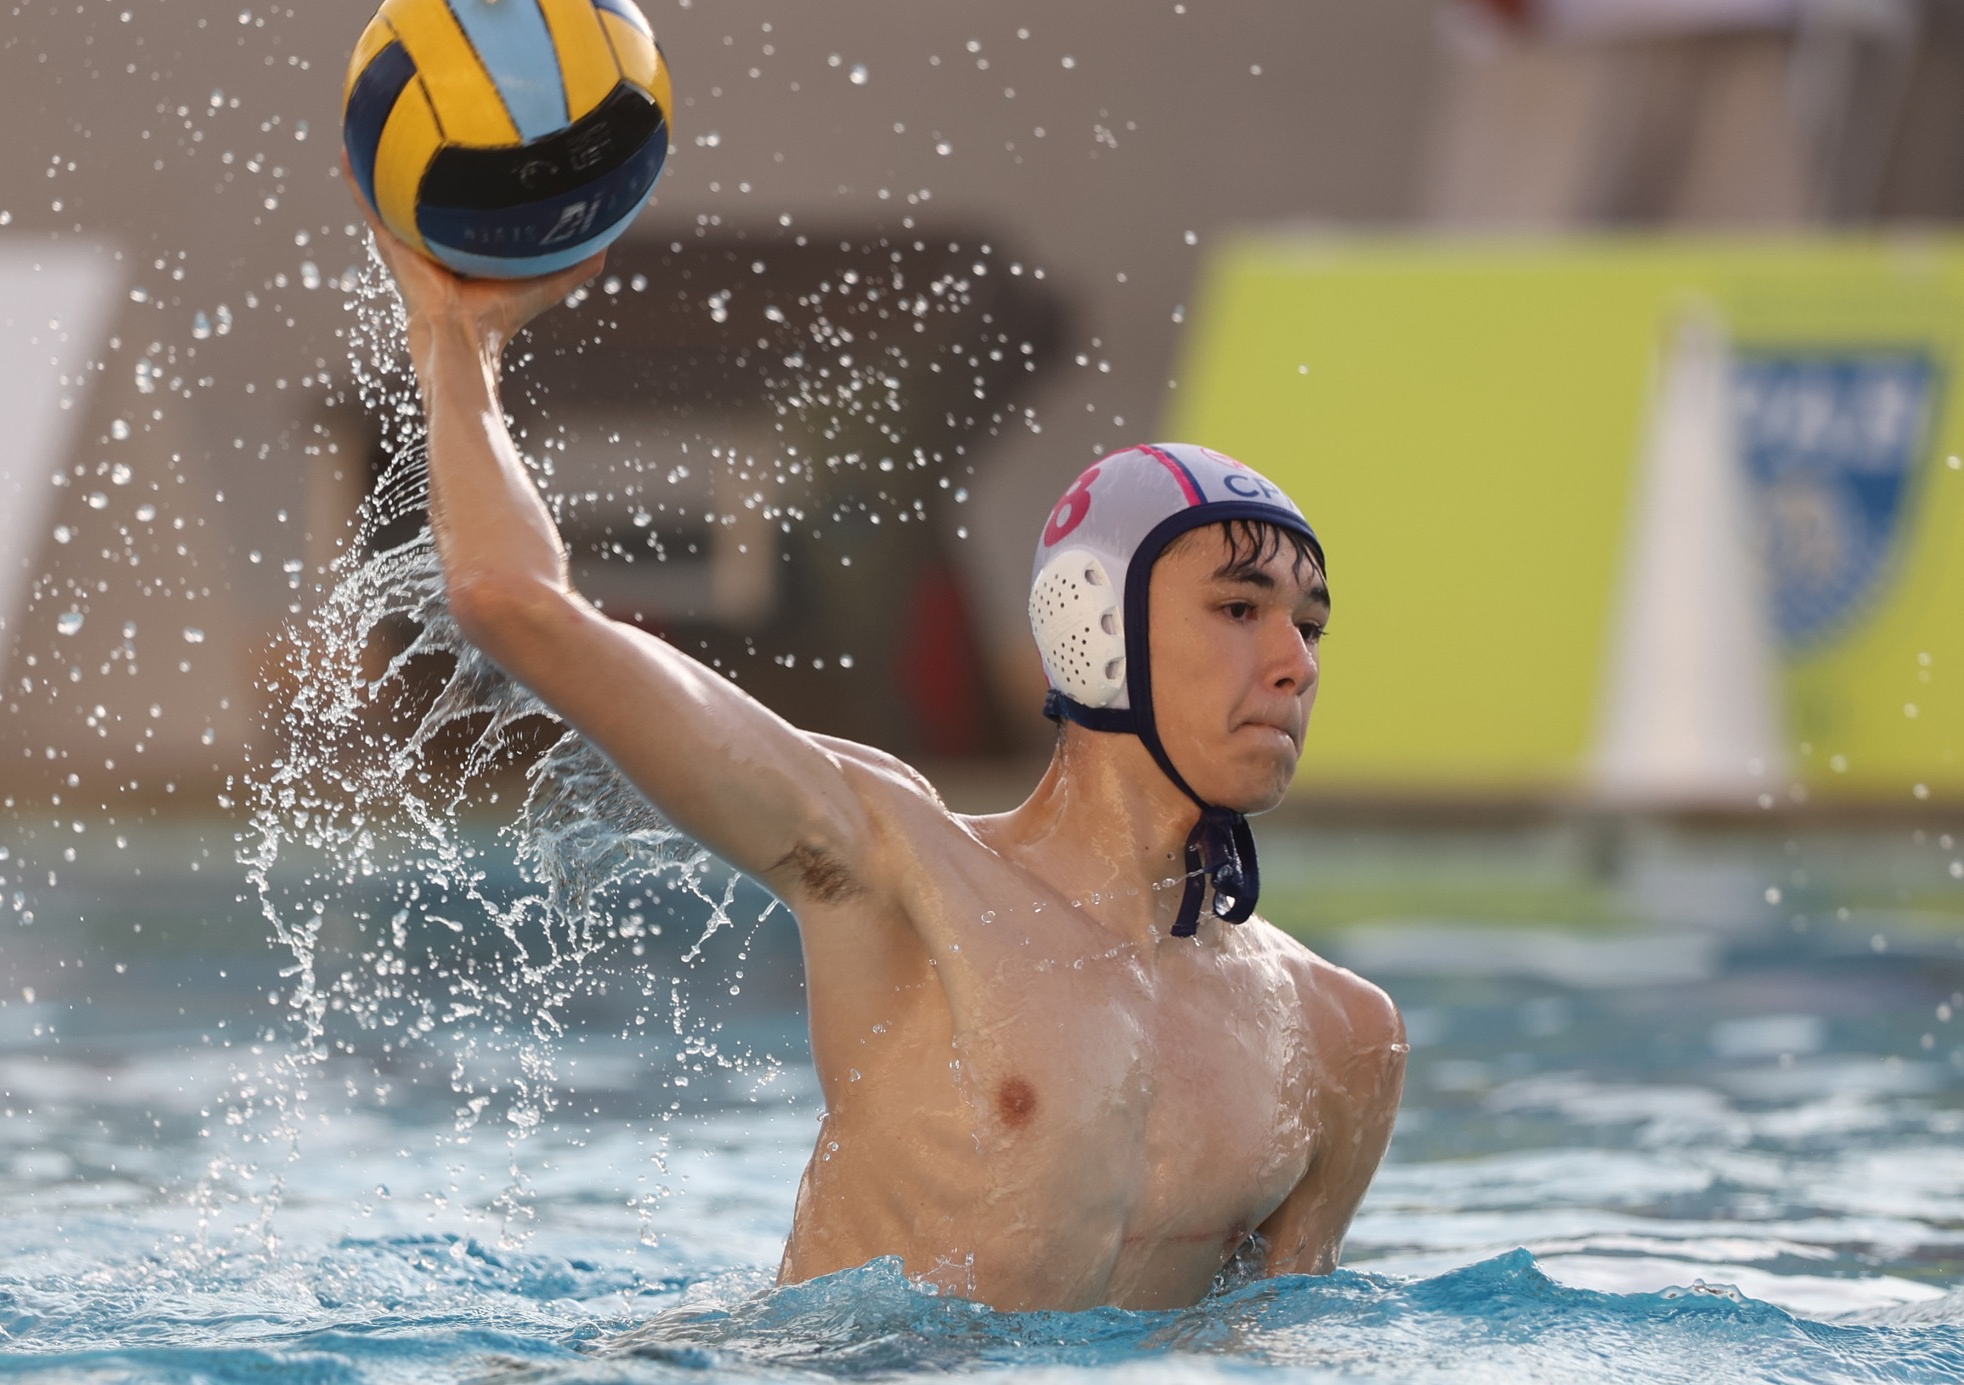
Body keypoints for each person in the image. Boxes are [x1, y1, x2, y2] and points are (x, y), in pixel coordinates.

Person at [363, 209, 1406, 1313]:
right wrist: (457, 343)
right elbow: (514, 602)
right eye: (1240, 607)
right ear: (1093, 627)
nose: (1294, 663)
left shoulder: (1340, 1036)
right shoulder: (898, 869)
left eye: (1310, 626)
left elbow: (1274, 1347)